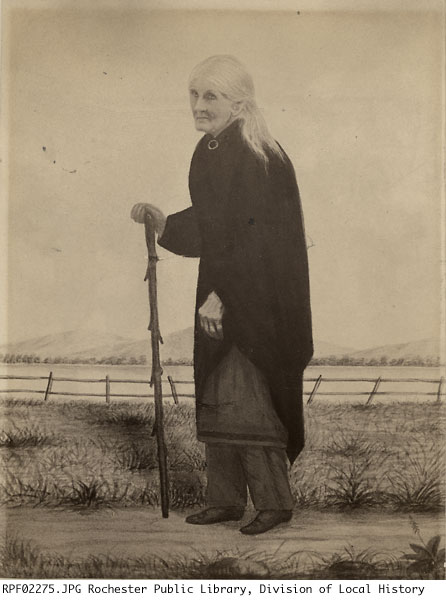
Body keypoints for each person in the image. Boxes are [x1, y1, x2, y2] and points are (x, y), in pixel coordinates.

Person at [131, 55, 313, 535]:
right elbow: (214, 225)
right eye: (193, 94)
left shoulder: (258, 154)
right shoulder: (211, 149)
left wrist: (222, 298)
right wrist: (165, 223)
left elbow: (255, 240)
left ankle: (274, 503)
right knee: (217, 396)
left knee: (249, 401)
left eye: (210, 95)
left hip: (260, 306)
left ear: (239, 102)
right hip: (224, 294)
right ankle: (225, 500)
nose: (198, 105)